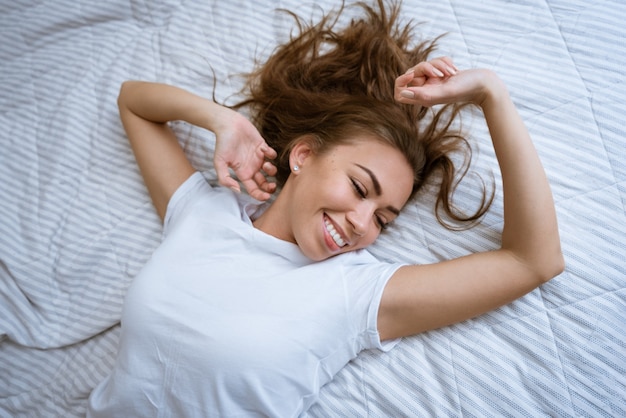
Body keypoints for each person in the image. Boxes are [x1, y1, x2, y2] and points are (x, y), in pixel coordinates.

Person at [87, 1, 563, 416]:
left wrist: (491, 95)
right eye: (359, 188)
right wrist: (223, 121)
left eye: (383, 218)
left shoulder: (354, 292)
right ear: (304, 155)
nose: (362, 223)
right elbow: (134, 102)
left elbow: (534, 260)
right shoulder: (202, 213)